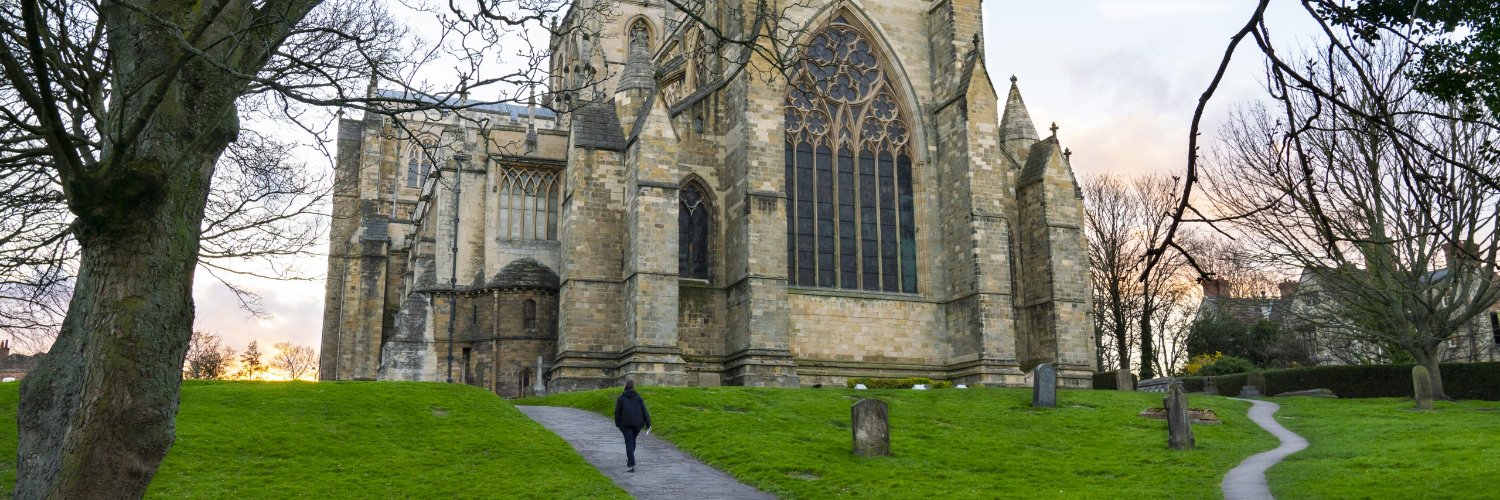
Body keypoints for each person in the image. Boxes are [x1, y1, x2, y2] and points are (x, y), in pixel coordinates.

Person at [613, 379, 651, 472]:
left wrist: (618, 424)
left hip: (625, 424)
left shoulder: (621, 398)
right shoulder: (638, 397)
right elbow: (644, 411)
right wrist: (648, 423)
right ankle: (630, 458)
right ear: (633, 387)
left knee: (629, 442)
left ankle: (631, 465)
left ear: (625, 386)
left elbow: (617, 412)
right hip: (638, 424)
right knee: (632, 440)